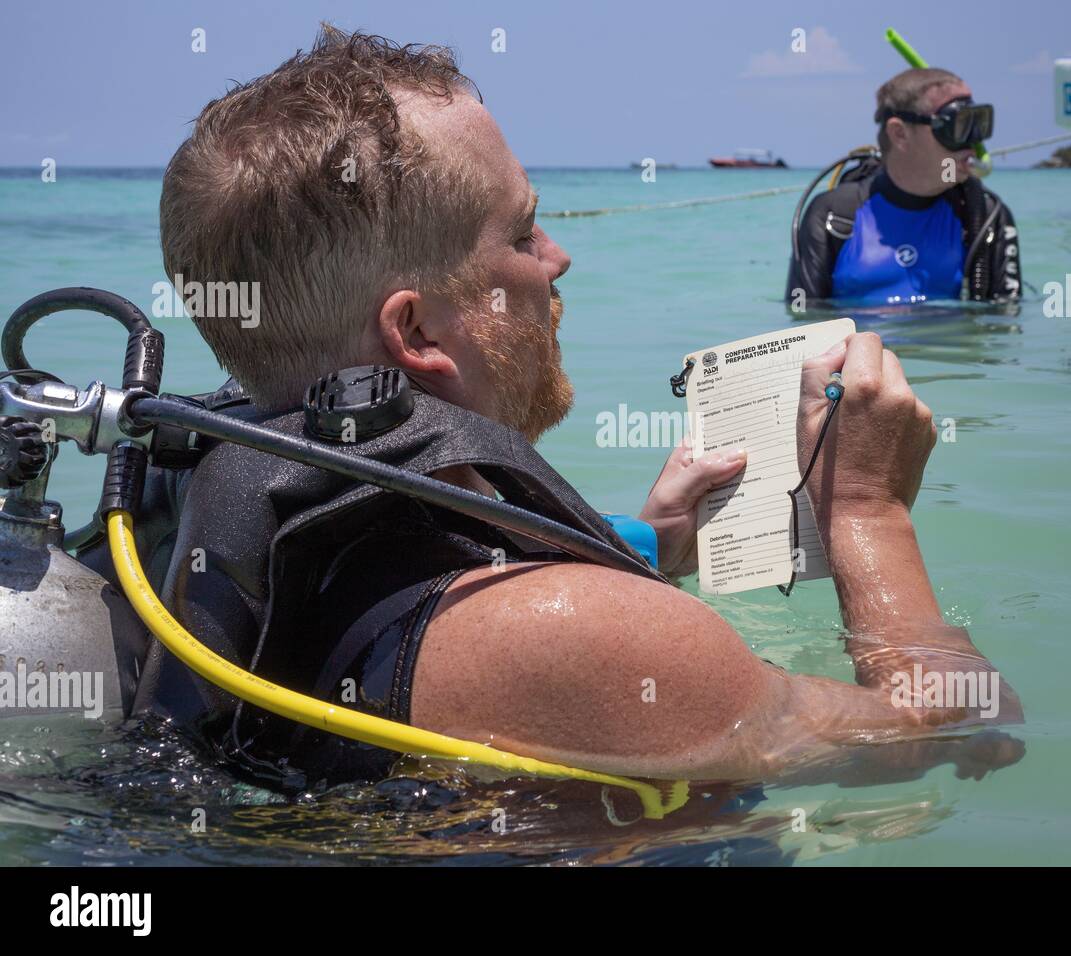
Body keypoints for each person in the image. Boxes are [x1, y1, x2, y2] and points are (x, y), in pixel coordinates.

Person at [113, 28, 1022, 806]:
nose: (559, 258)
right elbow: (962, 731)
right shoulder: (588, 640)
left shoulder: (182, 514)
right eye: (521, 232)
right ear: (418, 329)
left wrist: (646, 538)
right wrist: (868, 509)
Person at [786, 68, 1021, 308]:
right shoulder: (834, 215)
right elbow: (805, 322)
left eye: (978, 123)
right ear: (899, 134)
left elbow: (1003, 324)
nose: (972, 142)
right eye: (958, 126)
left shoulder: (985, 216)